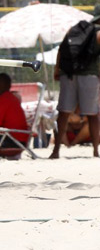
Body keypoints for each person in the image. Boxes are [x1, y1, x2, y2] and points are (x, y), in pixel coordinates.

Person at [50, 10, 100, 159]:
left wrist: (57, 69)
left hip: (68, 75)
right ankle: (95, 151)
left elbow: (61, 49)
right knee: (92, 115)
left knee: (63, 113)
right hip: (89, 76)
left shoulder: (74, 30)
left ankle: (56, 150)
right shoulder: (98, 32)